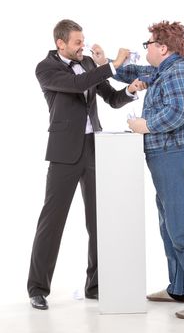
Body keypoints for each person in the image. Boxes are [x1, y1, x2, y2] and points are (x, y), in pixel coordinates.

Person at [95, 20, 184, 319]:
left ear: (162, 47)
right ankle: (180, 287)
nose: (145, 49)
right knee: (170, 227)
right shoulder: (165, 70)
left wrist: (145, 126)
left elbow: (178, 112)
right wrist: (106, 63)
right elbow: (136, 73)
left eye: (147, 44)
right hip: (169, 158)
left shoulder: (181, 70)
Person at [27, 19, 145, 310]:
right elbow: (76, 84)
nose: (83, 46)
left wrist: (129, 90)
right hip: (64, 153)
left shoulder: (90, 64)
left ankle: (95, 286)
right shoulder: (46, 68)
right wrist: (115, 63)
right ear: (61, 44)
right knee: (52, 222)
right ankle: (37, 288)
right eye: (77, 42)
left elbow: (111, 98)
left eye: (83, 41)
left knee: (98, 221)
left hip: (95, 150)